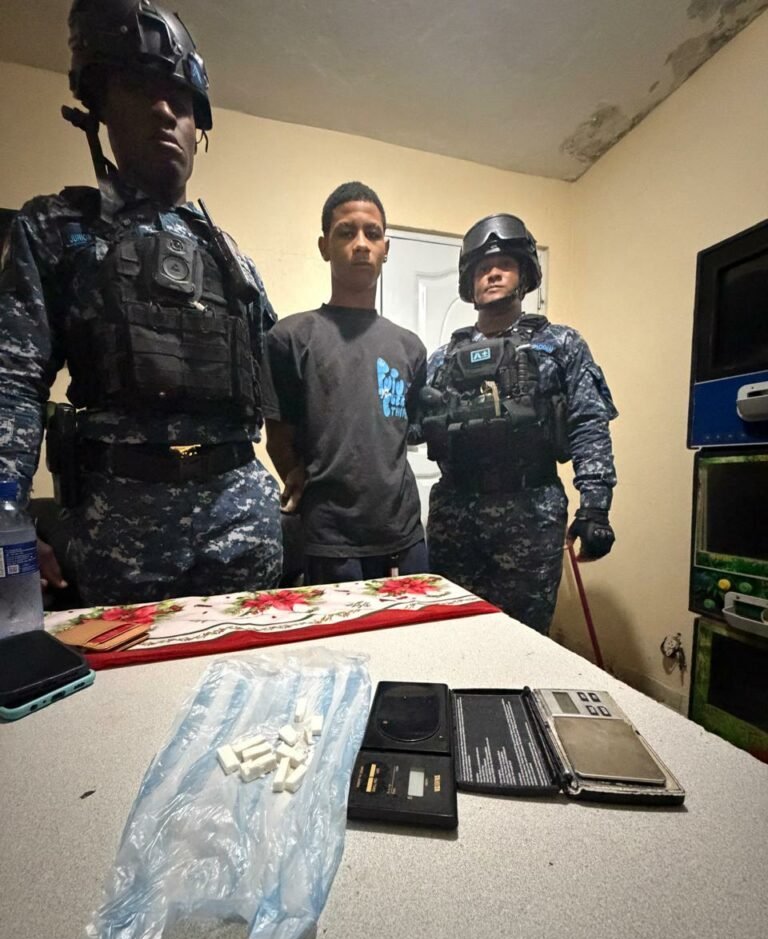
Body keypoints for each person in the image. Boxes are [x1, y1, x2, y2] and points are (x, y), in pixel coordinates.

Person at [0, 0, 282, 606]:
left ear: (198, 127)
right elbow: (13, 382)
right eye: (139, 89)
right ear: (100, 107)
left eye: (180, 101)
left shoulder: (234, 260)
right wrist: (6, 517)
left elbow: (274, 388)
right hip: (118, 529)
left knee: (250, 665)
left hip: (243, 522)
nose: (163, 111)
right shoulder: (56, 228)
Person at [420, 213, 617, 633]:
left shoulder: (560, 344)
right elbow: (412, 428)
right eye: (482, 268)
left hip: (532, 511)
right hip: (455, 513)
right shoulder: (440, 359)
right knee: (451, 632)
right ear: (469, 281)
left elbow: (589, 423)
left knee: (524, 637)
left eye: (504, 264)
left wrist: (595, 506)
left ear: (524, 273)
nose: (492, 273)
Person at [263, 181, 428, 584]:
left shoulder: (410, 348)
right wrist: (297, 477)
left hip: (405, 537)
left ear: (386, 248)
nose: (361, 244)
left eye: (372, 233)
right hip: (329, 541)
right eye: (346, 232)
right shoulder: (290, 339)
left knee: (417, 626)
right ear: (324, 246)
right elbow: (278, 439)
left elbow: (405, 432)